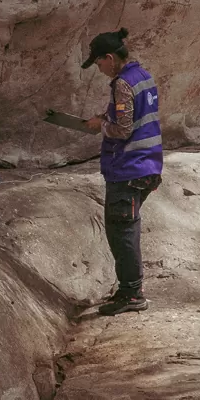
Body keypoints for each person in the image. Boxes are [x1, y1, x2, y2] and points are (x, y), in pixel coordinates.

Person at [82, 28, 161, 315]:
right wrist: (104, 116)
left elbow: (123, 129)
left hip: (128, 168)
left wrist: (100, 126)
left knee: (121, 232)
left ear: (110, 57)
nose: (99, 68)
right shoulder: (144, 77)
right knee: (127, 227)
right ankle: (129, 288)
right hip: (149, 165)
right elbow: (136, 115)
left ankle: (132, 294)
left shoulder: (122, 83)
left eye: (99, 63)